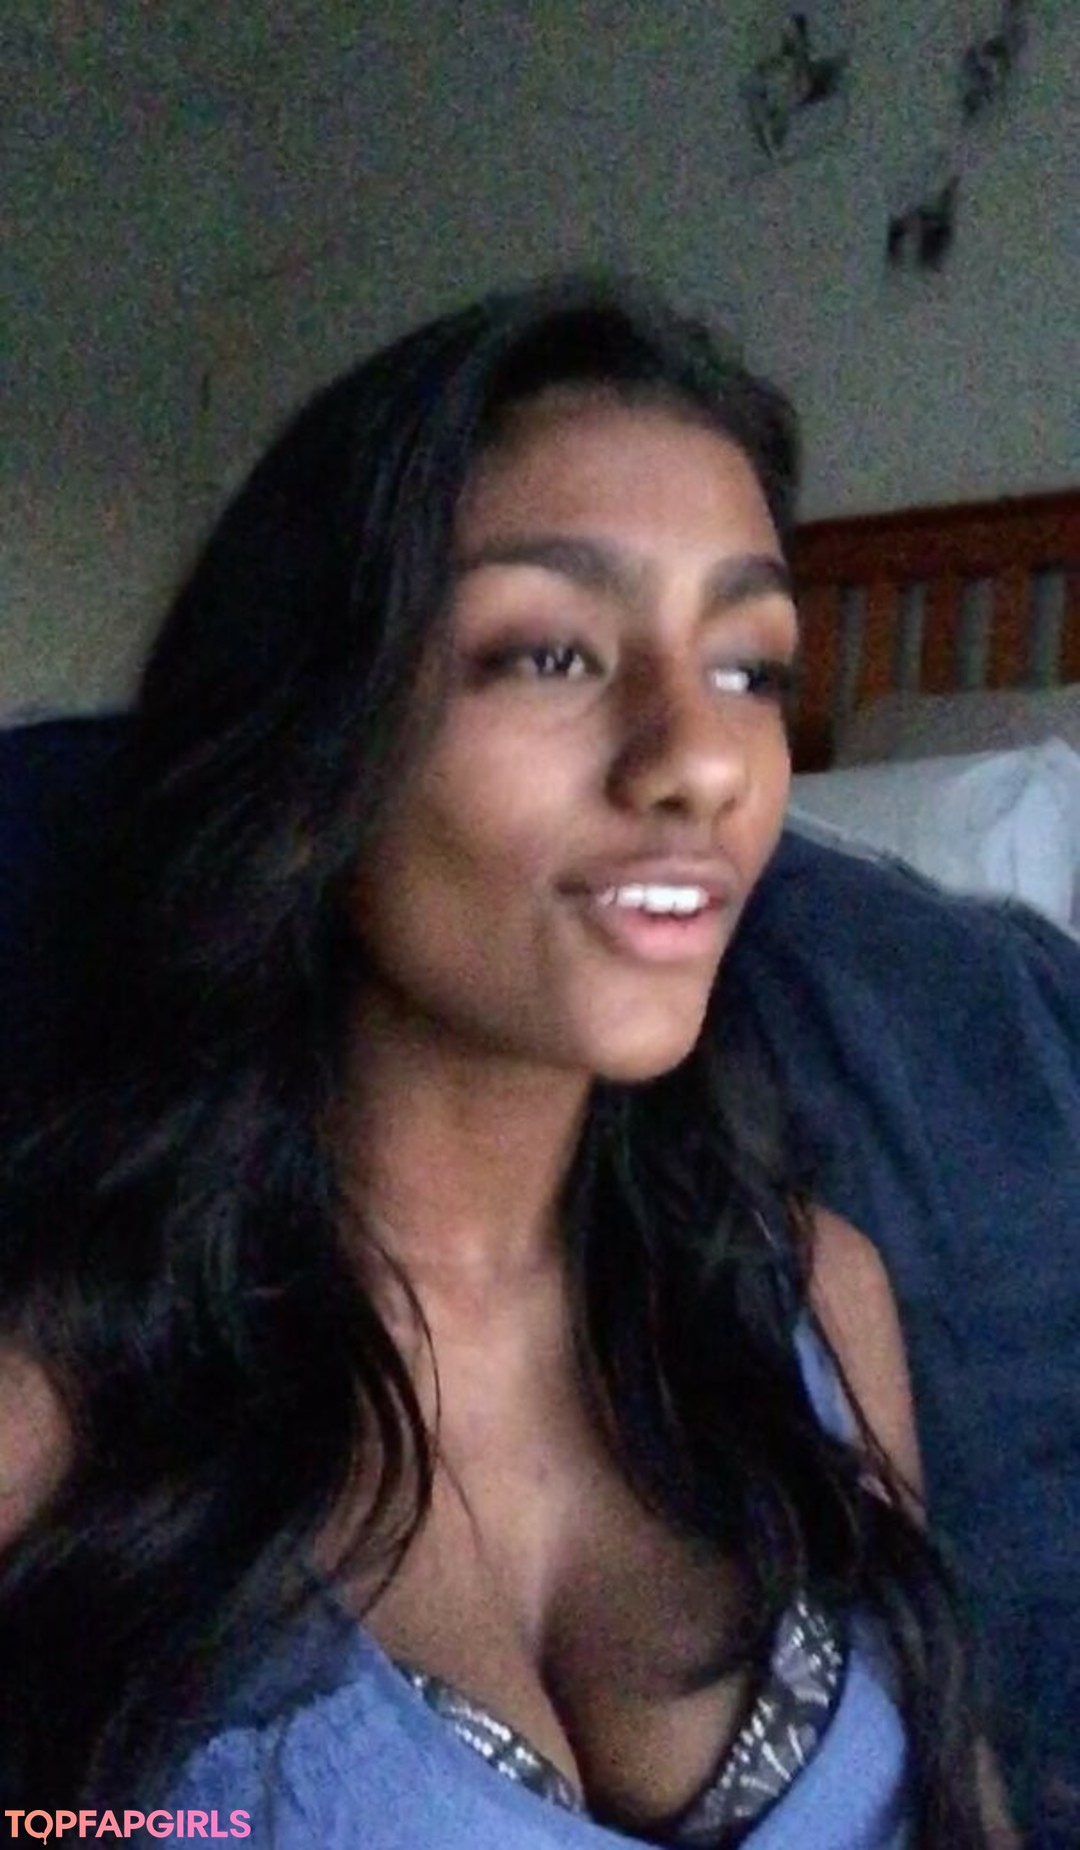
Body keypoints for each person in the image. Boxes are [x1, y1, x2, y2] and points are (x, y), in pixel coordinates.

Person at [0, 279, 1010, 1846]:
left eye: (749, 667)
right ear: (314, 745)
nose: (697, 759)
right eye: (550, 653)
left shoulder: (815, 1301)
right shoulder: (59, 1393)